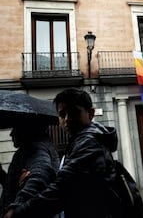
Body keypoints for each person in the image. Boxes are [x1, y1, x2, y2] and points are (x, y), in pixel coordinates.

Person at [4, 88, 122, 218]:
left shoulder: (89, 143)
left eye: (74, 112)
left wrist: (18, 212)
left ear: (91, 113)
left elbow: (62, 189)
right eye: (62, 114)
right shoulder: (81, 140)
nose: (67, 119)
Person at [0, 120, 60, 218]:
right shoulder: (25, 150)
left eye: (15, 129)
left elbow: (40, 175)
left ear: (25, 129)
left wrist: (15, 208)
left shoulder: (37, 148)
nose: (11, 134)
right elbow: (13, 188)